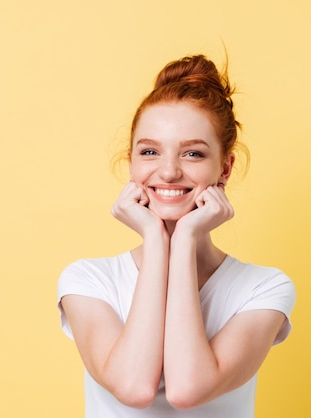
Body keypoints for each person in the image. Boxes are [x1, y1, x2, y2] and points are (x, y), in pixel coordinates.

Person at [57, 54, 296, 417]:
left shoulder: (263, 289)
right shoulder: (88, 281)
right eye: (150, 151)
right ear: (132, 161)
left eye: (193, 154)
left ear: (225, 168)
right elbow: (134, 387)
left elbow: (188, 389)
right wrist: (156, 239)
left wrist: (183, 240)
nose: (168, 171)